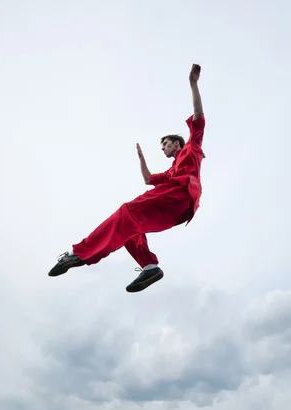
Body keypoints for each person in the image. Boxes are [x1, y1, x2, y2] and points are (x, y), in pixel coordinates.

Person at [48, 63, 206, 292]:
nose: (163, 148)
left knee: (126, 212)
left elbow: (199, 117)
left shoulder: (191, 148)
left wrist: (193, 84)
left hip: (181, 194)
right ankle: (150, 265)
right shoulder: (171, 171)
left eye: (165, 144)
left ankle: (78, 253)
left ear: (177, 143)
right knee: (130, 228)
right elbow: (149, 179)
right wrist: (141, 159)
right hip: (179, 206)